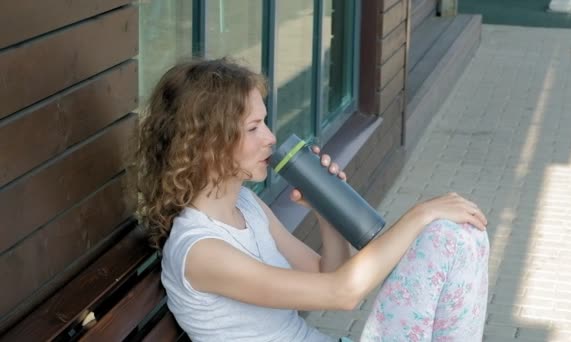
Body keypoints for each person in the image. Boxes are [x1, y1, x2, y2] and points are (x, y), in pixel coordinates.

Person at [133, 58, 490, 341]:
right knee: (444, 237)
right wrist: (419, 214)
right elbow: (344, 293)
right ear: (206, 144)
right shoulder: (200, 251)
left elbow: (329, 274)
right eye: (253, 128)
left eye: (265, 123)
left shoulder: (247, 206)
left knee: (463, 234)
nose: (270, 138)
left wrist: (324, 209)